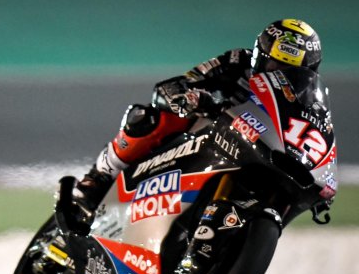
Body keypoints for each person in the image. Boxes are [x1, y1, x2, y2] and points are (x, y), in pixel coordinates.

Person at [73, 18, 324, 221]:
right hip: (208, 136)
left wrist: (320, 178)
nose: (280, 77)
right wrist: (190, 99)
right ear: (260, 57)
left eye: (292, 73)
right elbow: (176, 85)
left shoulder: (308, 103)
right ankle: (100, 176)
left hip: (256, 152)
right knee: (150, 117)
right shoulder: (237, 62)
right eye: (274, 67)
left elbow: (317, 140)